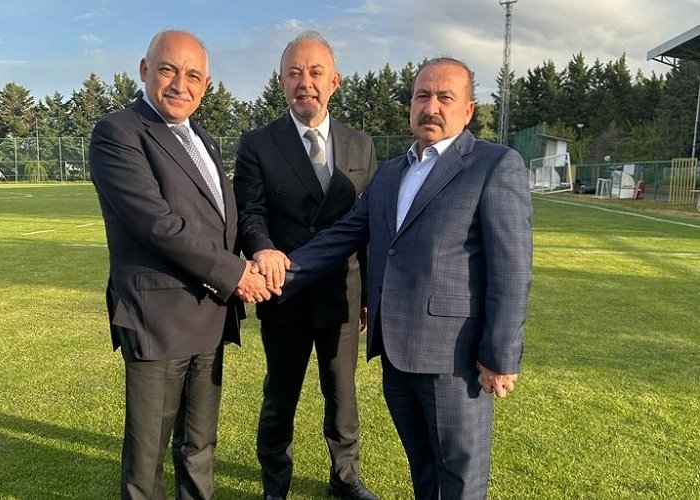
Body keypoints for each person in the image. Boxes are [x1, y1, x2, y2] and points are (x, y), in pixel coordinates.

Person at [283, 57, 533, 499]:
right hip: (396, 355)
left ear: (468, 110)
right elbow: (344, 234)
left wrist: (500, 354)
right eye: (422, 96)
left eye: (444, 97)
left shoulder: (494, 165)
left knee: (460, 479)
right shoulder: (391, 173)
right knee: (423, 469)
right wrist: (279, 272)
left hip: (454, 361)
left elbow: (511, 269)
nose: (431, 107)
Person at [89, 30, 273, 500]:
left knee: (199, 448)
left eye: (193, 76)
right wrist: (235, 274)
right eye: (168, 70)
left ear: (206, 85)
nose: (179, 84)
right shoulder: (118, 133)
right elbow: (158, 225)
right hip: (159, 321)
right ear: (144, 69)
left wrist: (260, 251)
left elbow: (226, 218)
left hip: (210, 315)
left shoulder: (203, 140)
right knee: (146, 462)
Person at [233, 31, 378, 500]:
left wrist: (369, 297)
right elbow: (250, 212)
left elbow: (370, 226)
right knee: (281, 395)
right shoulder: (258, 143)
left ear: (334, 81)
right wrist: (261, 248)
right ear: (280, 82)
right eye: (294, 73)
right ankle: (275, 484)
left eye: (315, 72)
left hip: (342, 295)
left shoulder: (361, 145)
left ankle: (346, 478)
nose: (305, 82)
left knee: (342, 395)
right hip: (284, 292)